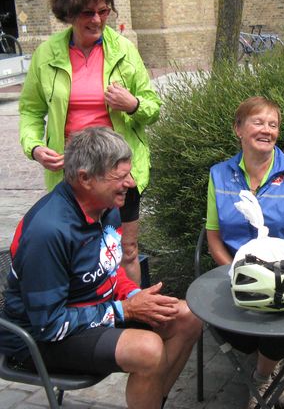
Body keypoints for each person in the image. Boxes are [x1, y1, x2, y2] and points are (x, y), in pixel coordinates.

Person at [0, 127, 201, 409]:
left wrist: (133, 296)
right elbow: (50, 325)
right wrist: (126, 310)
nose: (130, 184)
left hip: (93, 311)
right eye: (120, 177)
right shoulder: (49, 232)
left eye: (129, 174)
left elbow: (109, 267)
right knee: (148, 350)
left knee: (188, 316)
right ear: (84, 178)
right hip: (37, 341)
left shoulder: (107, 206)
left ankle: (152, 401)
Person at [18, 0, 162, 285]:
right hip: (72, 175)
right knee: (78, 251)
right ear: (68, 14)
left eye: (104, 11)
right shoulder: (46, 55)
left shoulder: (123, 50)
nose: (97, 20)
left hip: (122, 174)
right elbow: (30, 110)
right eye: (88, 12)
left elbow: (152, 109)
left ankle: (132, 319)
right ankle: (90, 319)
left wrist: (133, 104)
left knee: (127, 249)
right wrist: (34, 147)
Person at [206, 96, 284, 408]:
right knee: (219, 316)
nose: (267, 130)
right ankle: (272, 366)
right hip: (233, 272)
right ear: (238, 129)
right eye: (258, 122)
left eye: (273, 124)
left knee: (273, 312)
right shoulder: (218, 175)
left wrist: (274, 274)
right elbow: (213, 235)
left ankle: (263, 378)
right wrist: (234, 270)